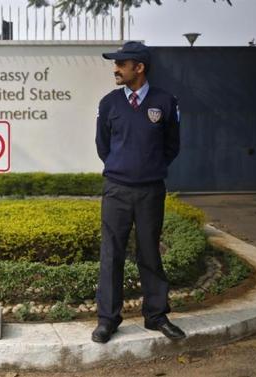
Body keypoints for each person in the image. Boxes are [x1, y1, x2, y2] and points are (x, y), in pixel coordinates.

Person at [92, 41, 185, 343]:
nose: (115, 69)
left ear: (139, 68)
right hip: (117, 190)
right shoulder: (109, 103)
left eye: (121, 64)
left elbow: (172, 146)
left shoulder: (166, 102)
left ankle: (156, 316)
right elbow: (103, 146)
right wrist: (123, 168)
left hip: (150, 192)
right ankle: (108, 320)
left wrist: (148, 169)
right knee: (111, 254)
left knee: (150, 252)